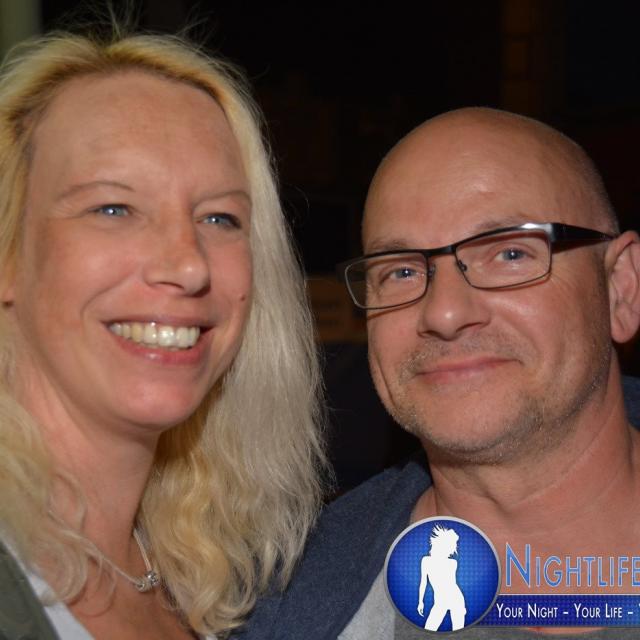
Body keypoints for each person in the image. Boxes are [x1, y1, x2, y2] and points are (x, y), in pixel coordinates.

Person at [238, 108, 640, 639]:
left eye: (510, 253)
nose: (445, 313)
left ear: (620, 289)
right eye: (402, 271)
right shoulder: (277, 611)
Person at [0, 27, 324, 640]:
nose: (189, 265)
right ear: (9, 255)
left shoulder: (218, 585)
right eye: (113, 208)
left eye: (220, 217)